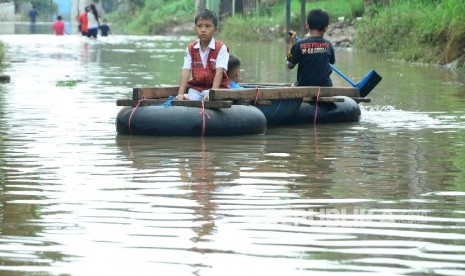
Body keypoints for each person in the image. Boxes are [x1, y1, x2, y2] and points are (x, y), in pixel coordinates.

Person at [175, 9, 230, 101]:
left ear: (215, 30)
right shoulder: (190, 48)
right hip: (196, 89)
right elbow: (186, 71)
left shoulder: (221, 48)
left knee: (208, 96)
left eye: (208, 26)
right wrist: (180, 94)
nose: (203, 30)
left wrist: (213, 93)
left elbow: (219, 72)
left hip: (217, 88)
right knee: (191, 96)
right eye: (199, 26)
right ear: (195, 29)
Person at [287, 9, 335, 87]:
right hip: (326, 87)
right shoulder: (329, 45)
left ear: (307, 25)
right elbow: (332, 62)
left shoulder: (299, 45)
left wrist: (292, 43)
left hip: (304, 86)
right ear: (326, 28)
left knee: (294, 85)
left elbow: (290, 65)